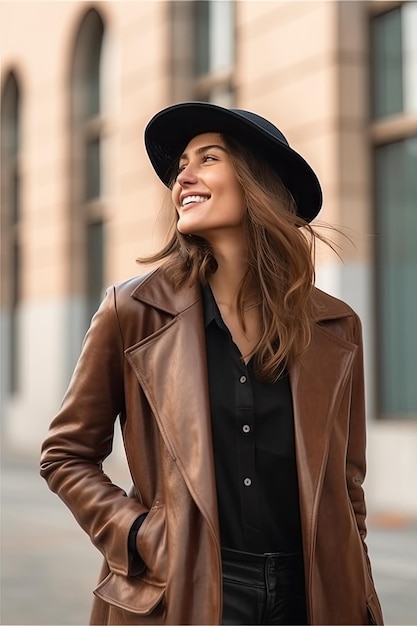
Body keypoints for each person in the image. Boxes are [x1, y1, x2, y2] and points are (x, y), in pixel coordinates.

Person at [40, 101, 384, 626]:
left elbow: (345, 484)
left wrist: (357, 591)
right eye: (181, 165)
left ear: (257, 183)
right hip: (183, 590)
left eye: (208, 158)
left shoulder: (334, 327)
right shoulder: (132, 312)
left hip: (311, 596)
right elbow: (65, 454)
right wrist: (136, 534)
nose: (184, 175)